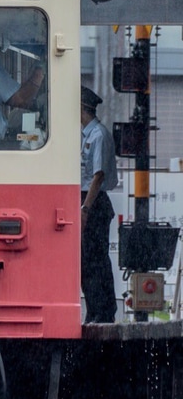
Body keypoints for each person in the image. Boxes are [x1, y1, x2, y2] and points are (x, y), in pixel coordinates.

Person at [80, 86, 119, 324]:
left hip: (94, 202)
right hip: (86, 200)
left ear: (81, 109)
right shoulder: (85, 134)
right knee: (86, 259)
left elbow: (98, 175)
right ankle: (94, 309)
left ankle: (104, 311)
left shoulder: (98, 135)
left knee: (96, 259)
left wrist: (85, 209)